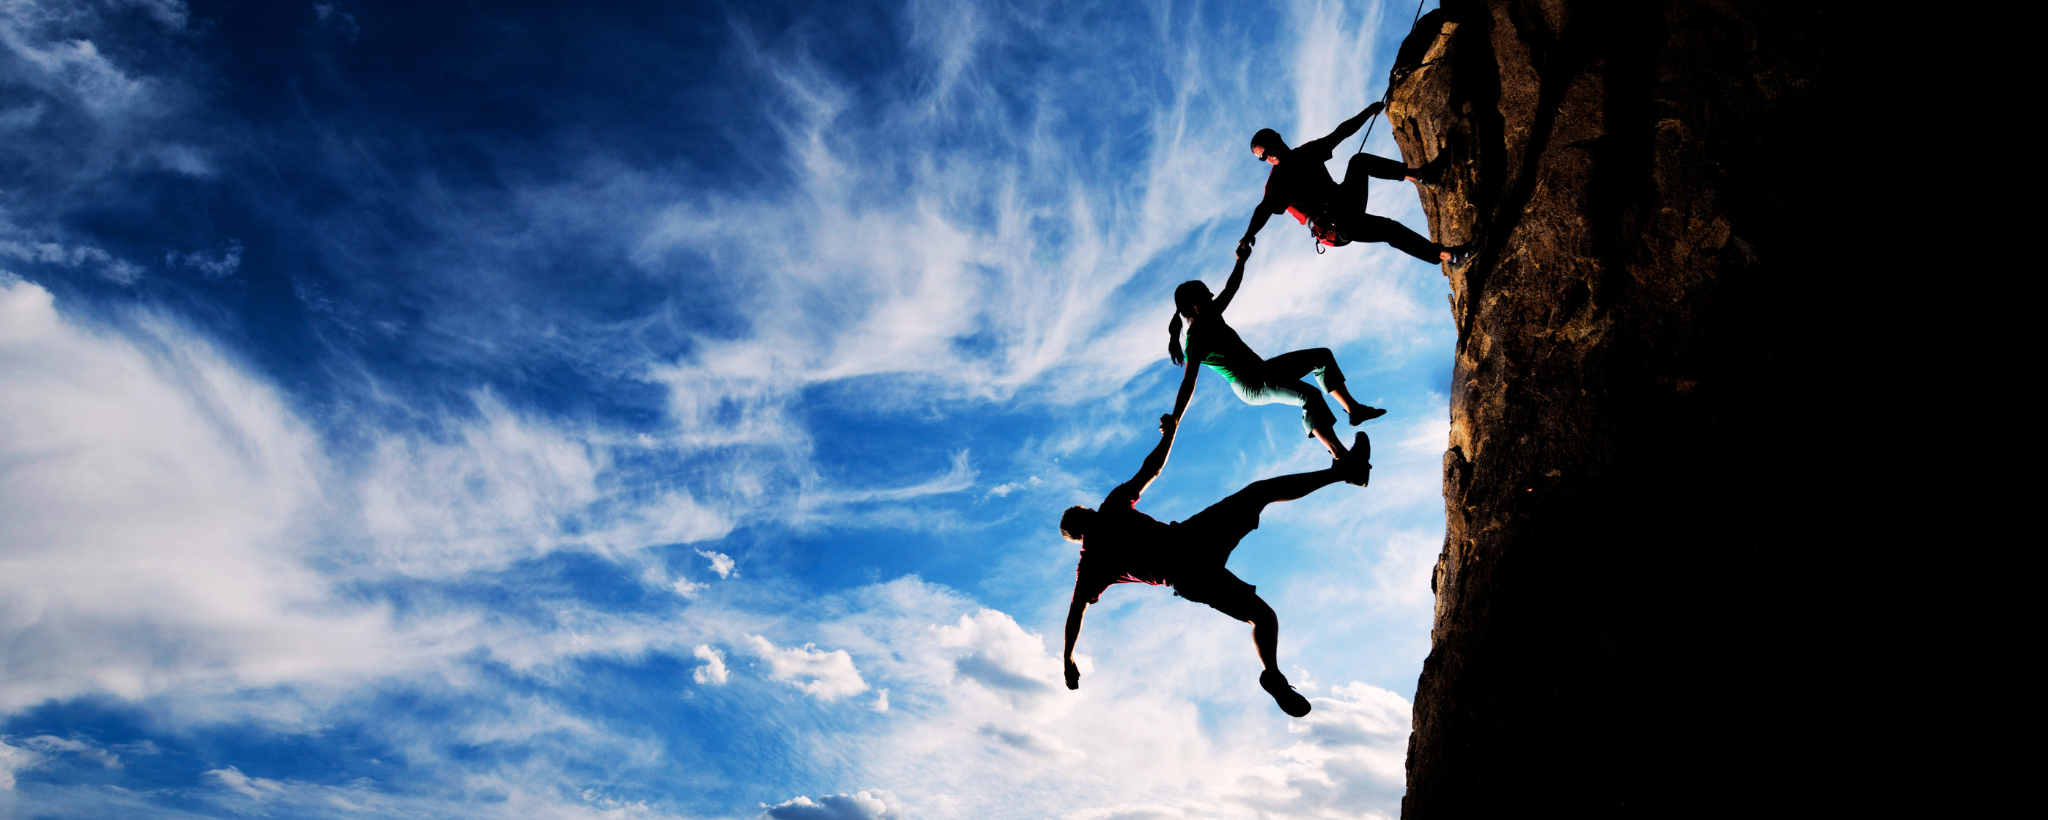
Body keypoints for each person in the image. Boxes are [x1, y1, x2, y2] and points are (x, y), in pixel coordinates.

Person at [1059, 412, 1371, 717]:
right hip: (1191, 541)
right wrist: (1168, 435)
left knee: (1262, 617)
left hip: (1188, 579)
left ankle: (1272, 672)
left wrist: (1068, 657)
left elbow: (1076, 612)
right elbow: (1150, 469)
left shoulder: (1090, 566)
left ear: (1077, 537)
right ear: (1087, 512)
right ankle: (1346, 472)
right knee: (1260, 493)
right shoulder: (1110, 508)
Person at [1167, 243, 1382, 464]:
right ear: (1195, 306)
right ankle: (1342, 458)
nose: (1213, 298)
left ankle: (1354, 410)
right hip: (1250, 384)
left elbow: (1231, 287)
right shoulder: (1195, 339)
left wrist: (1241, 261)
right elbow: (1188, 383)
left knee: (1322, 357)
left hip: (1263, 370)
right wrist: (1175, 418)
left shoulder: (1210, 315)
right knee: (1309, 396)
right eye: (1207, 297)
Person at [1238, 101, 1473, 265]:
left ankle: (1422, 176)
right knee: (1389, 229)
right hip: (1334, 226)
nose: (1268, 157)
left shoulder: (1306, 153)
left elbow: (1339, 134)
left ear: (1277, 139)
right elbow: (1264, 209)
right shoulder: (1278, 181)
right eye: (1262, 157)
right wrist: (1249, 235)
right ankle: (1451, 257)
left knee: (1358, 162)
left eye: (1268, 150)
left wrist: (1368, 112)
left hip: (1344, 202)